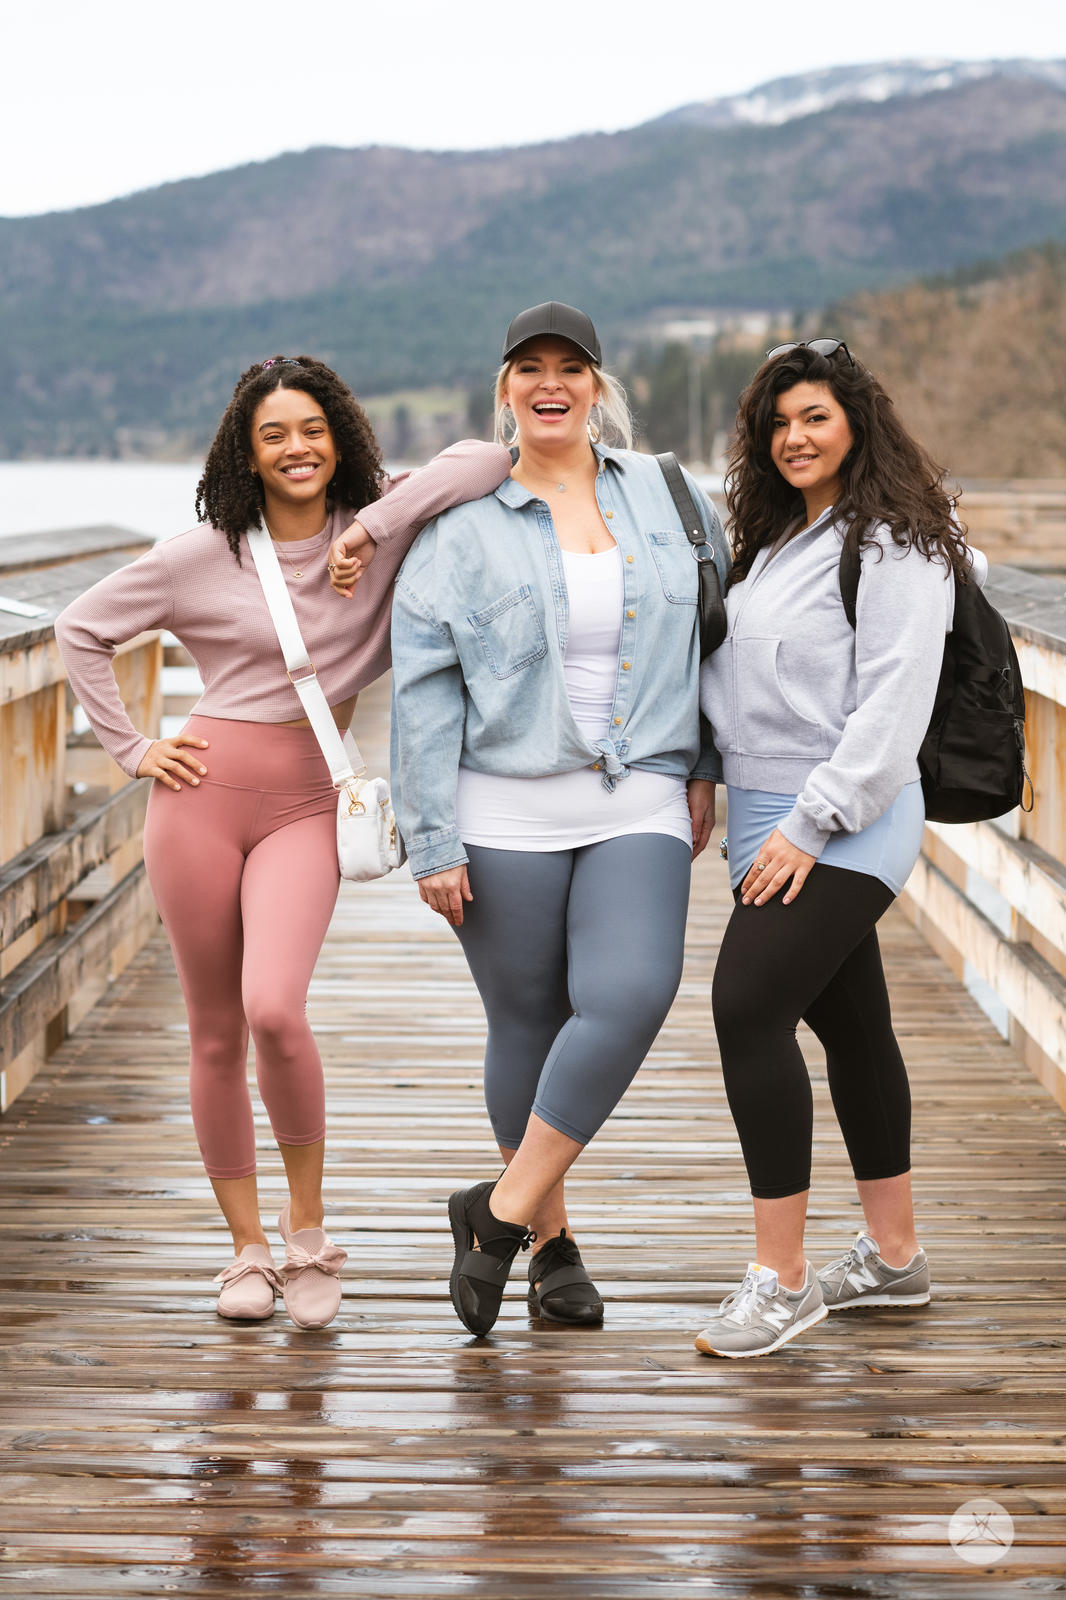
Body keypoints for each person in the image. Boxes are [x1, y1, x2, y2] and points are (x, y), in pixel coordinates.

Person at [56, 355, 510, 1328]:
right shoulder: (200, 554)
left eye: (312, 429)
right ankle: (246, 1251)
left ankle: (308, 1233)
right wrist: (134, 749)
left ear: (339, 435)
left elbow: (485, 457)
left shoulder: (381, 526)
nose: (296, 448)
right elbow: (79, 628)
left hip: (311, 801)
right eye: (274, 435)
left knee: (274, 1009)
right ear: (246, 452)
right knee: (215, 1030)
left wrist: (377, 526)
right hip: (201, 797)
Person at [388, 302, 728, 1336]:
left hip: (638, 794)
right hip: (502, 805)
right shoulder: (458, 527)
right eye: (528, 368)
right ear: (503, 389)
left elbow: (714, 642)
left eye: (569, 368)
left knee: (628, 993)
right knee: (527, 1023)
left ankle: (492, 1218)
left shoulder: (672, 497)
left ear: (596, 384)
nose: (549, 383)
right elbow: (423, 691)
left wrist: (706, 762)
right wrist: (433, 836)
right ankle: (553, 1246)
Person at [693, 338, 986, 1358]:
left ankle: (780, 1279)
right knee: (853, 1026)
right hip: (764, 813)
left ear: (857, 421)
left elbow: (890, 709)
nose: (792, 438)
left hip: (847, 811)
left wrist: (810, 824)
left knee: (744, 1006)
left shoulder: (896, 540)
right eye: (777, 423)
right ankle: (893, 1258)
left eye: (813, 416)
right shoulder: (780, 540)